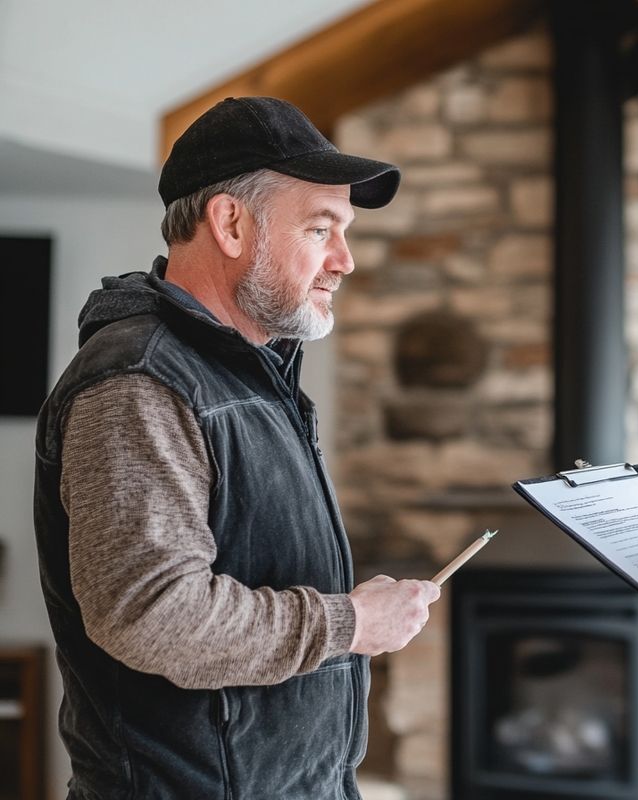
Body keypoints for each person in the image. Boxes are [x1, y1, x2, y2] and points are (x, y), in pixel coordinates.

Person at [33, 96, 442, 799]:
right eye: (321, 228)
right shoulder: (140, 383)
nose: (344, 260)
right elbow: (152, 612)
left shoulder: (251, 375)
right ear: (230, 223)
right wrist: (349, 623)